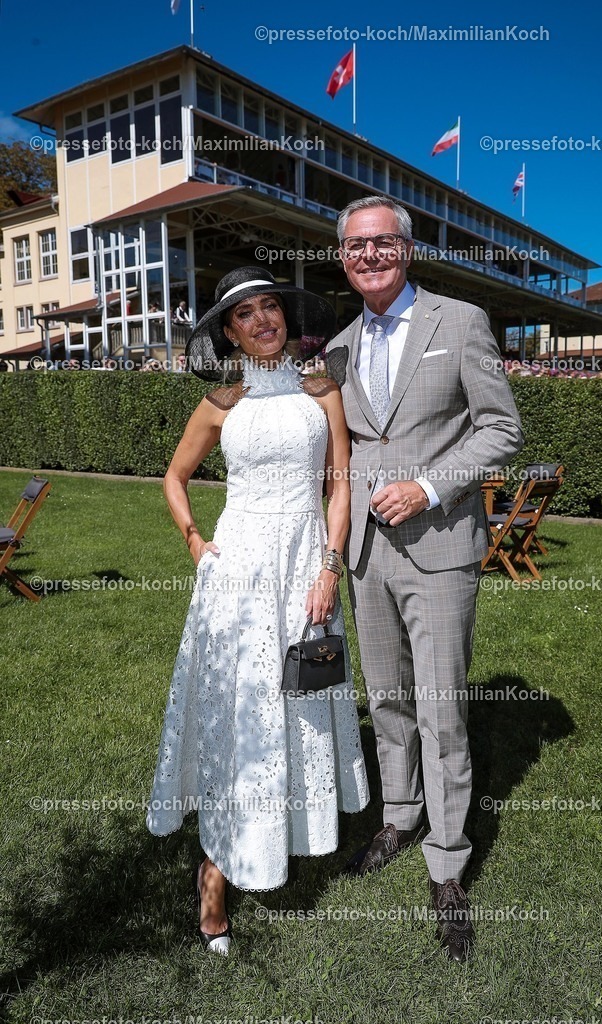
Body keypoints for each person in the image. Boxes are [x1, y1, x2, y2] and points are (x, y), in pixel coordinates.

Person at [146, 266, 369, 955]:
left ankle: (281, 838)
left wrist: (329, 566)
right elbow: (173, 478)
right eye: (247, 314)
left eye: (271, 307)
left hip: (304, 565)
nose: (263, 320)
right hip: (237, 568)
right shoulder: (220, 401)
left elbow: (339, 485)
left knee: (298, 701)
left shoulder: (320, 388)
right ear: (229, 331)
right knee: (239, 711)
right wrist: (195, 544)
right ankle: (214, 873)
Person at [325, 196, 524, 962]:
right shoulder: (337, 348)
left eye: (382, 243)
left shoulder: (459, 320)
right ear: (341, 256)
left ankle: (447, 866)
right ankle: (398, 818)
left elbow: (500, 428)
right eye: (355, 246)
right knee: (387, 699)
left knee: (441, 710)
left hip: (439, 547)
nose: (369, 255)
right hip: (367, 556)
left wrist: (430, 487)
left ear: (406, 249)